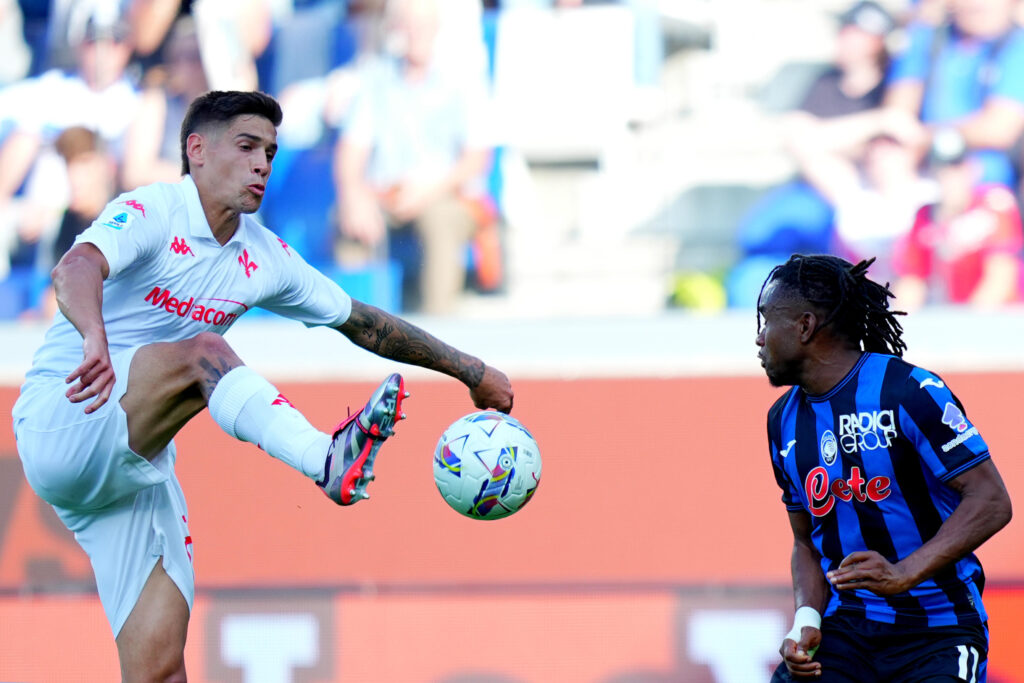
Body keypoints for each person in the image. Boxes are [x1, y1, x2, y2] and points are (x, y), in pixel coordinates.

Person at [10, 90, 513, 682]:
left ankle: (329, 461)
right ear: (196, 150)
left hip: (132, 470)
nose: (262, 165)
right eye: (247, 146)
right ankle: (326, 459)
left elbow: (364, 323)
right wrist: (94, 336)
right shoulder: (153, 209)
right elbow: (74, 268)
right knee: (205, 352)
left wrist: (471, 371)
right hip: (65, 415)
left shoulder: (264, 257)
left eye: (271, 153)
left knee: (161, 671)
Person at [756, 254, 1012, 682]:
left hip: (938, 631)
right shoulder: (782, 419)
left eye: (767, 321)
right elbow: (805, 542)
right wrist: (807, 620)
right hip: (847, 632)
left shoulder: (909, 391)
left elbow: (991, 501)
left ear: (804, 326)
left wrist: (903, 573)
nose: (760, 339)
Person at [727, 0, 897, 307]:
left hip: (869, 197)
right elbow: (797, 137)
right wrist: (873, 124)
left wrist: (829, 140)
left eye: (850, 32)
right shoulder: (825, 82)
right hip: (820, 190)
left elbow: (893, 138)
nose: (841, 38)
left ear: (874, 41)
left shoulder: (894, 85)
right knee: (758, 236)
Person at [334, 0, 496, 314]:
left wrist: (428, 191)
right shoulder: (375, 79)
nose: (415, 31)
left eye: (422, 23)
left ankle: (436, 334)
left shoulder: (462, 80)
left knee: (440, 219)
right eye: (408, 23)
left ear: (437, 27)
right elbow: (351, 151)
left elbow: (477, 157)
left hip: (445, 194)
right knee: (351, 221)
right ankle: (353, 329)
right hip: (387, 195)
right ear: (395, 28)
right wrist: (353, 196)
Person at [893, 130, 1024, 308]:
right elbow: (912, 280)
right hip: (953, 319)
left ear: (972, 169)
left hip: (998, 320)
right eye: (941, 169)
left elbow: (1001, 276)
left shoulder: (995, 204)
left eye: (956, 167)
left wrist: (968, 325)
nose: (948, 177)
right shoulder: (925, 216)